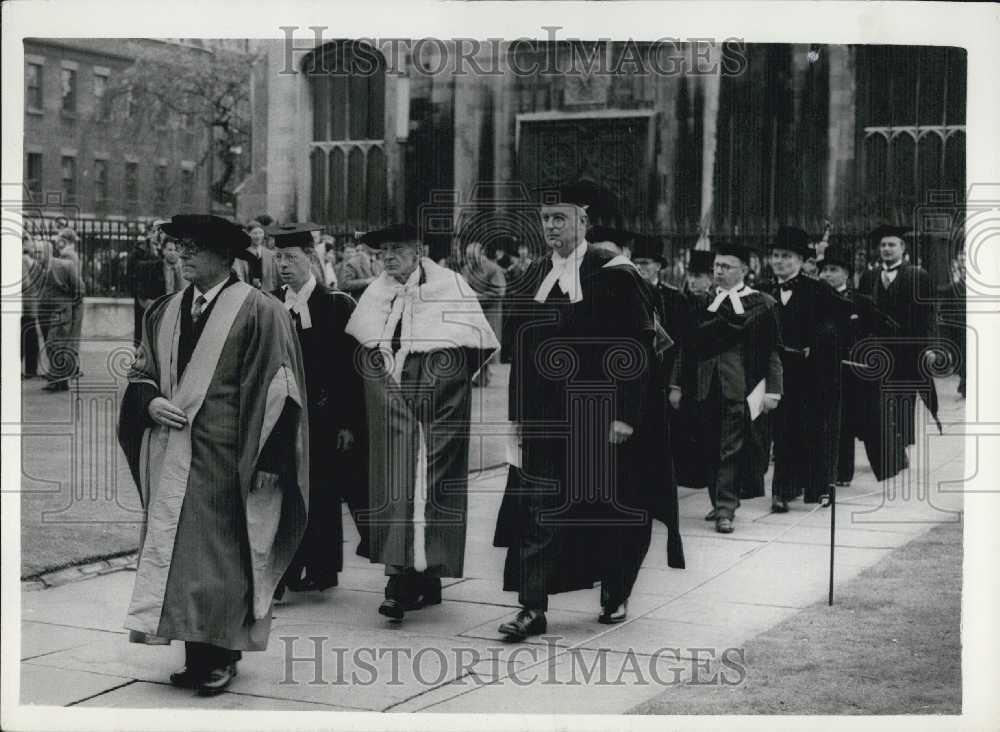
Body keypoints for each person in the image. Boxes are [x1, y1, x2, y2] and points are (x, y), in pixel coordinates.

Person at [117, 214, 309, 696]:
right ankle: (195, 651)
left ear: (225, 256)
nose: (182, 255)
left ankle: (222, 654)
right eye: (180, 247)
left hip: (231, 456)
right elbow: (141, 371)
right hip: (174, 454)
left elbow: (282, 389)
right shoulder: (162, 310)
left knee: (224, 555)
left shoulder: (261, 311)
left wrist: (271, 461)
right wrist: (150, 401)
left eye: (193, 249)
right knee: (183, 556)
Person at [494, 181, 681, 642]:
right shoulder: (536, 273)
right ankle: (532, 609)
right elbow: (522, 349)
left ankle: (615, 591)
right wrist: (517, 415)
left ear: (584, 221)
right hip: (544, 417)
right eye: (545, 218)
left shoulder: (612, 271)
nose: (551, 226)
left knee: (606, 510)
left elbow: (637, 347)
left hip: (600, 415)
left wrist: (626, 415)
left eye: (561, 218)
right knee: (539, 510)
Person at [345, 224, 498, 622]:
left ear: (419, 250)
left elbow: (473, 348)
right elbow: (365, 346)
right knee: (394, 485)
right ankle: (403, 579)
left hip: (440, 402)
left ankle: (420, 577)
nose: (389, 257)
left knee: (433, 485)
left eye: (397, 249)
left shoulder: (449, 286)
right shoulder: (377, 293)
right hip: (390, 403)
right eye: (383, 251)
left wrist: (438, 385)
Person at [267, 223, 368, 596]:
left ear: (310, 259)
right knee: (288, 489)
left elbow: (351, 372)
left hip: (326, 416)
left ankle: (323, 568)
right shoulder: (271, 303)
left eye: (291, 258)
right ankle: (290, 567)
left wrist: (348, 423)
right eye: (278, 258)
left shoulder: (336, 304)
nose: (284, 265)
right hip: (286, 413)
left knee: (323, 490)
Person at [668, 243, 783, 533]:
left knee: (731, 449)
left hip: (739, 387)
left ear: (744, 270)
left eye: (726, 267)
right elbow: (686, 348)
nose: (718, 271)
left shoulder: (762, 304)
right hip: (703, 387)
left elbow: (772, 351)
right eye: (716, 266)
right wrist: (676, 385)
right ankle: (717, 500)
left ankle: (726, 509)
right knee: (707, 446)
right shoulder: (701, 301)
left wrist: (773, 389)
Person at [764, 226, 843, 512]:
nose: (779, 261)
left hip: (811, 374)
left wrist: (816, 342)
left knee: (813, 430)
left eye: (786, 256)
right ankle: (782, 491)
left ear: (799, 260)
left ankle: (819, 487)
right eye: (775, 255)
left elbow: (836, 323)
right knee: (782, 431)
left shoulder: (818, 290)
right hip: (777, 373)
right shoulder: (764, 290)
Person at [819, 245, 906, 486]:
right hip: (827, 372)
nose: (826, 275)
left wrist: (870, 350)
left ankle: (890, 465)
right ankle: (840, 473)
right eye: (824, 270)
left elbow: (888, 329)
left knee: (865, 421)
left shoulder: (861, 301)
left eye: (833, 270)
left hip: (857, 373)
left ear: (846, 274)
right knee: (836, 424)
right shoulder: (815, 300)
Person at [857, 224, 940, 453]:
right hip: (877, 349)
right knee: (878, 398)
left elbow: (929, 313)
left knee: (903, 398)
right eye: (883, 245)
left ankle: (901, 444)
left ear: (902, 248)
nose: (886, 249)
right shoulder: (869, 277)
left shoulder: (918, 276)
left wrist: (931, 347)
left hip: (907, 348)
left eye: (892, 244)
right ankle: (884, 444)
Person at [670, 249, 716, 489]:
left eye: (700, 276)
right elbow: (679, 345)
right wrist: (675, 384)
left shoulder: (719, 302)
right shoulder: (682, 303)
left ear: (711, 277)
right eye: (691, 275)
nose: (694, 281)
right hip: (688, 375)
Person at [35, 239, 85, 392]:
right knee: (50, 345)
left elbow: (80, 288)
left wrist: (69, 307)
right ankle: (59, 380)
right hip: (44, 311)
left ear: (48, 253)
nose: (36, 256)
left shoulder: (65, 265)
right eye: (35, 253)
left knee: (56, 344)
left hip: (62, 310)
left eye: (40, 253)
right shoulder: (37, 269)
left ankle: (57, 380)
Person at [461, 241, 506, 387]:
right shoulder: (467, 269)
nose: (470, 260)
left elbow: (499, 292)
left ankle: (483, 375)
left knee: (486, 344)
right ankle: (479, 375)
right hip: (472, 314)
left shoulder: (493, 269)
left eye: (472, 257)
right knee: (473, 345)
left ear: (481, 254)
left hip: (489, 312)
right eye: (468, 257)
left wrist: (476, 296)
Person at [135, 239, 186, 335]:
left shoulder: (186, 270)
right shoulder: (151, 269)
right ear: (163, 251)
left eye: (176, 250)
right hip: (158, 319)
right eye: (170, 250)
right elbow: (142, 296)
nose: (173, 253)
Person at [131, 222, 166, 347]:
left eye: (162, 231)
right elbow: (133, 269)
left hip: (161, 295)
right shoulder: (141, 248)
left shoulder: (167, 248)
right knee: (142, 328)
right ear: (150, 232)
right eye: (157, 230)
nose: (159, 234)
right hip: (144, 294)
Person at [936, 251, 966, 399]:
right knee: (960, 359)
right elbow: (944, 311)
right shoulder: (951, 289)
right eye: (964, 270)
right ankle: (964, 381)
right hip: (957, 331)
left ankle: (966, 384)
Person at [234, 221, 277, 290]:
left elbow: (275, 278)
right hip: (248, 292)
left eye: (260, 233)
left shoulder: (270, 254)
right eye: (255, 233)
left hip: (267, 293)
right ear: (248, 234)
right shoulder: (242, 255)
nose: (258, 236)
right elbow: (240, 276)